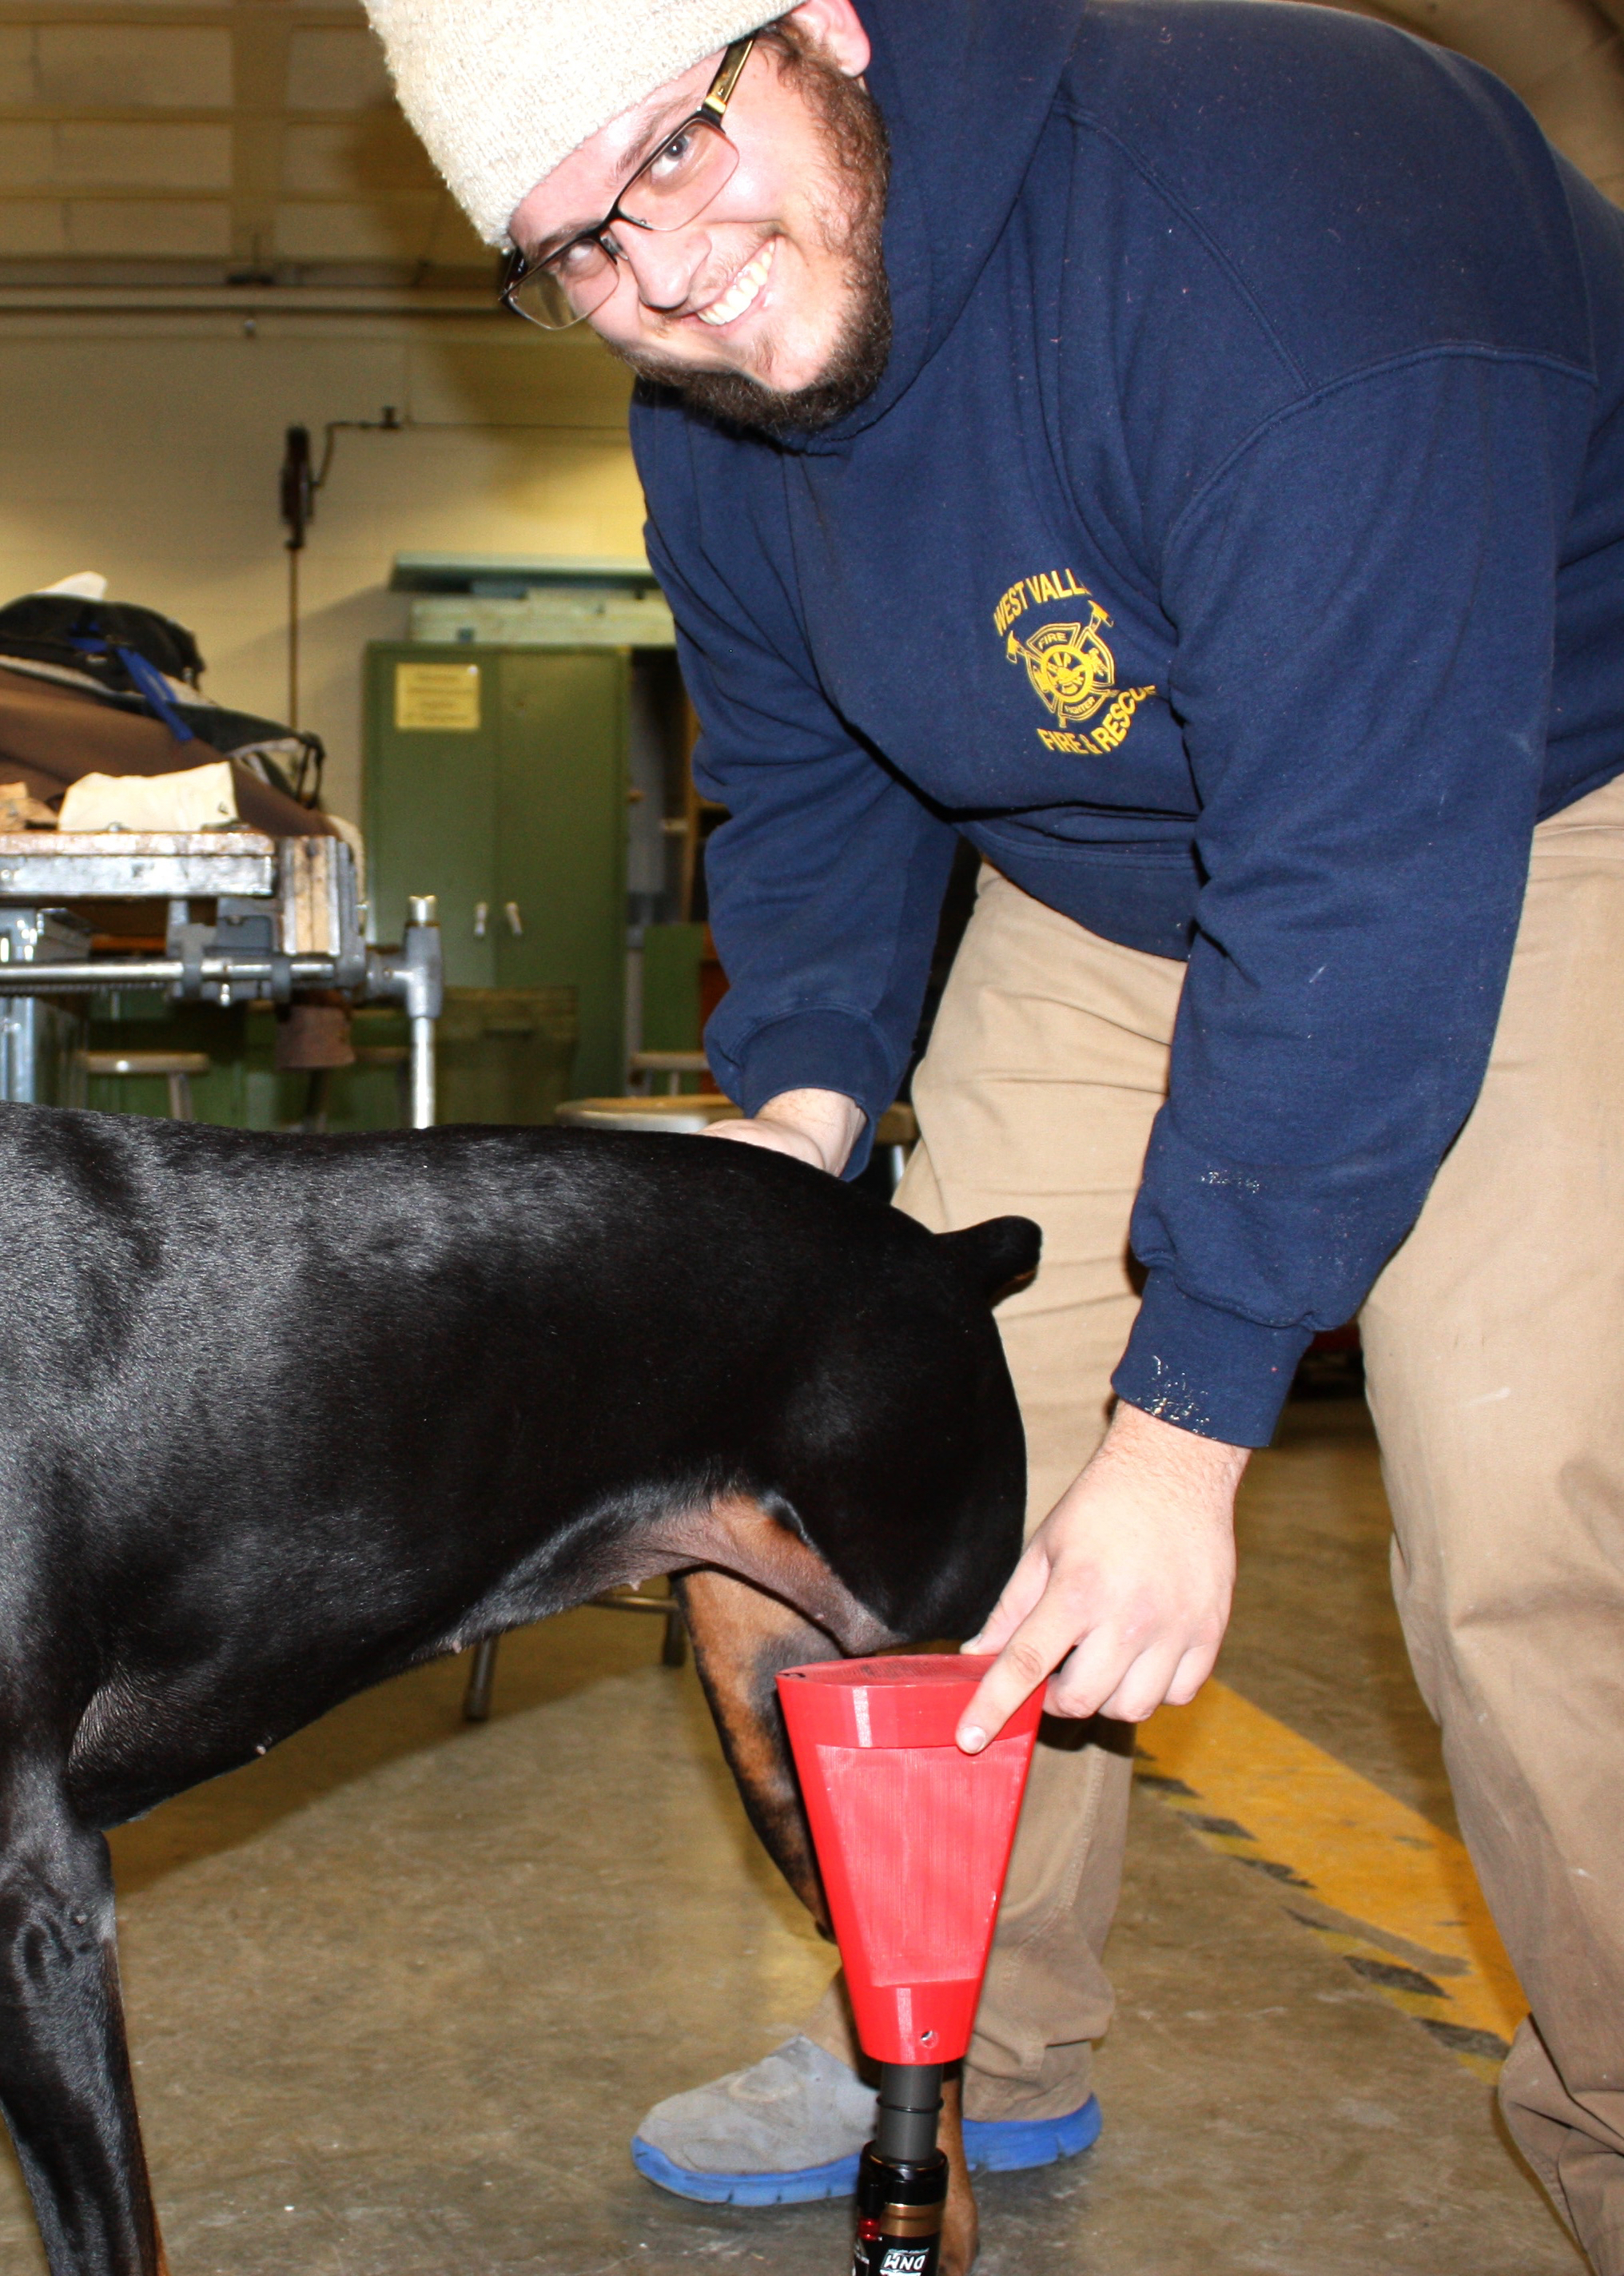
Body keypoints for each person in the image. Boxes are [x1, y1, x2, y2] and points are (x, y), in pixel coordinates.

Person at [362, 0, 1624, 2264]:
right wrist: (807, 1122)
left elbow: (1362, 857)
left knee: (1526, 1504)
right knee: (919, 1451)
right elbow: (811, 768)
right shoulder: (717, 385)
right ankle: (962, 2042)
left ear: (818, 26)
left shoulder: (1266, 224)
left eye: (673, 149)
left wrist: (1196, 1418)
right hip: (1104, 863)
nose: (662, 272)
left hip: (1525, 799)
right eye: (573, 254)